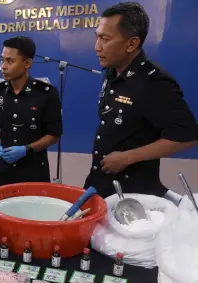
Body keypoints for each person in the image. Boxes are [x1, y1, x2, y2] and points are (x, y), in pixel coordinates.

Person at [84, 2, 198, 198]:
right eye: (97, 37)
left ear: (132, 43)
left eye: (105, 39)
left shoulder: (153, 81)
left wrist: (127, 158)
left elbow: (188, 135)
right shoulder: (111, 74)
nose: (97, 47)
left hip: (133, 195)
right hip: (100, 183)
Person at [0, 36, 62, 187]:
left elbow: (54, 135)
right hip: (5, 171)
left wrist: (26, 149)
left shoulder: (46, 93)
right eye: (2, 60)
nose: (3, 66)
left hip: (34, 171)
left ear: (27, 63)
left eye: (10, 61)